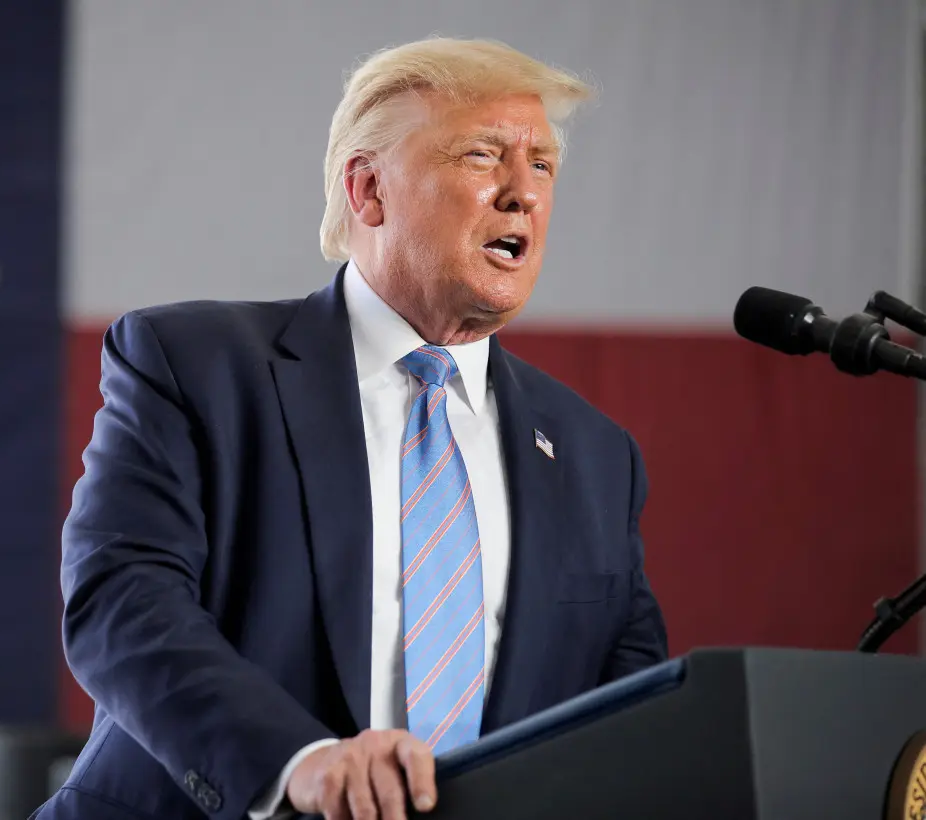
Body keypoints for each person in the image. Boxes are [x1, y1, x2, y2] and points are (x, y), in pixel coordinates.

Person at [33, 36, 668, 820]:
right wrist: (298, 764)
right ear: (368, 191)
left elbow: (632, 718)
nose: (523, 192)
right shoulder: (195, 367)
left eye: (541, 164)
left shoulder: (595, 456)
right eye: (481, 156)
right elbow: (121, 602)